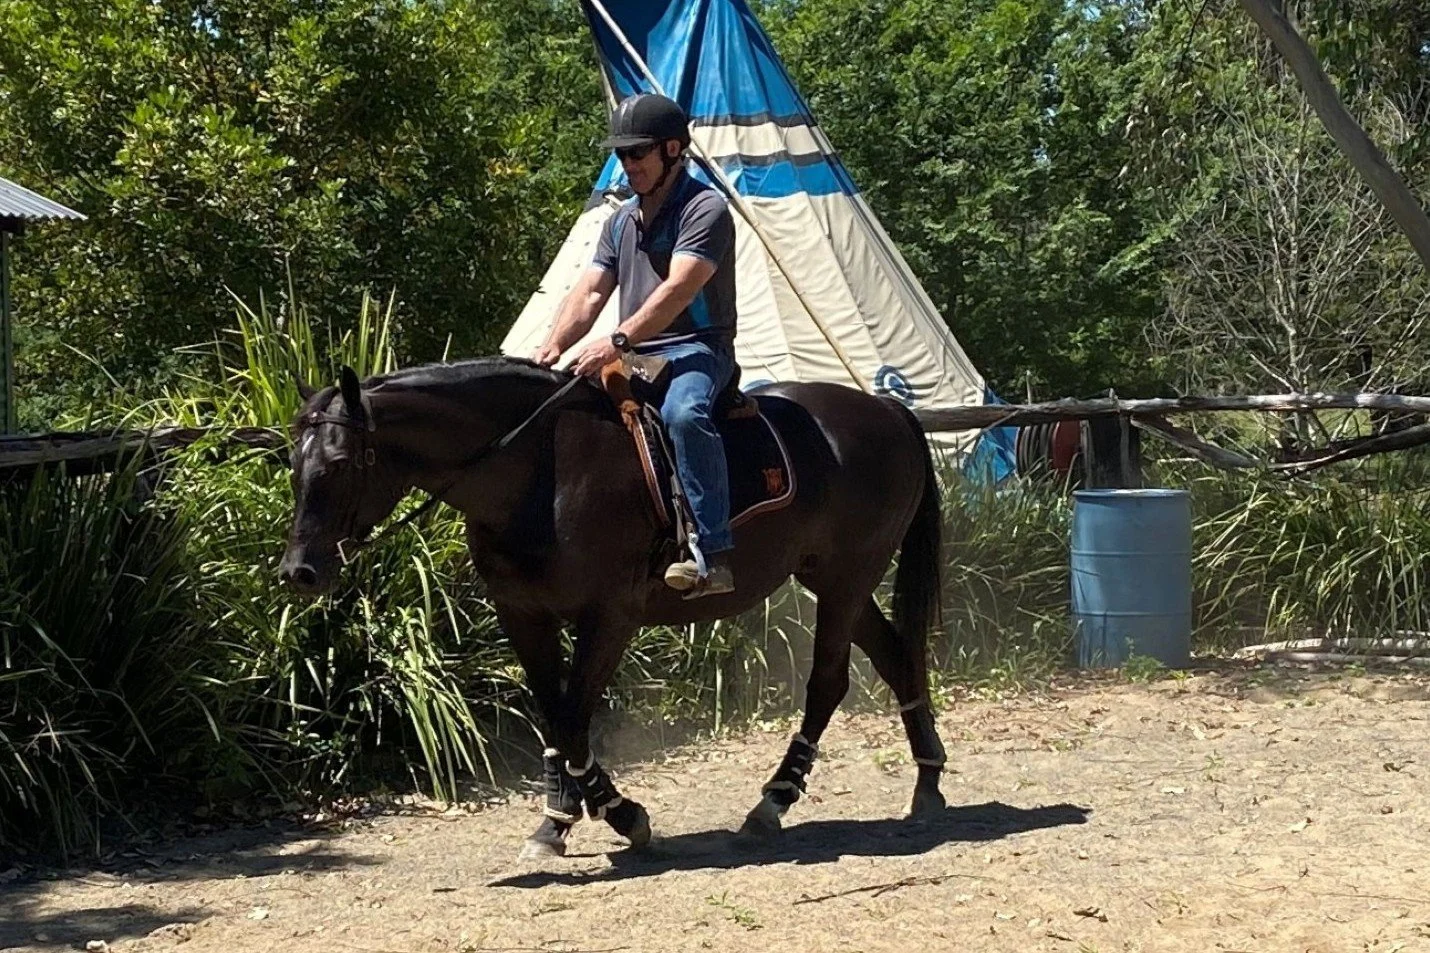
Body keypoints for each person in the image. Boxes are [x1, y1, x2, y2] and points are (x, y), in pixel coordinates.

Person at [532, 93, 738, 598]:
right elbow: (590, 292)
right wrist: (550, 349)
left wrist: (617, 339)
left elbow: (679, 289)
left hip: (697, 350)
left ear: (671, 150)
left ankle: (713, 556)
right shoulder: (619, 219)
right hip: (635, 356)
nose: (627, 164)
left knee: (686, 416)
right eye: (621, 154)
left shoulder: (705, 208)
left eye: (637, 152)